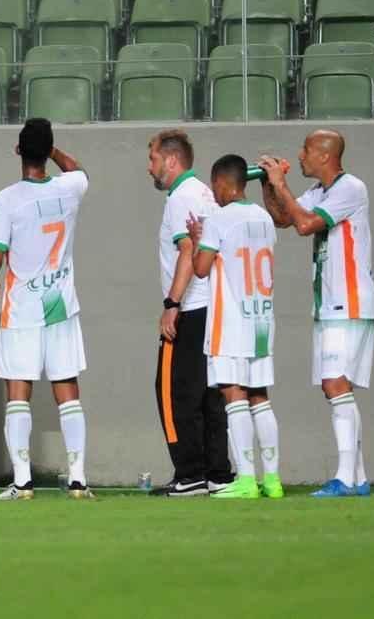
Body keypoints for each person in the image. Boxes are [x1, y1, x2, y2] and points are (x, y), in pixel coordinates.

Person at [258, 130, 374, 497]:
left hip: (349, 299)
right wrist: (270, 184)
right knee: (337, 388)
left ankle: (345, 476)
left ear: (325, 155)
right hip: (329, 302)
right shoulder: (321, 192)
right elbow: (284, 219)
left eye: (306, 150)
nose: (301, 155)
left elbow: (307, 224)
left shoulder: (350, 188)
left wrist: (283, 184)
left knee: (334, 384)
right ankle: (357, 477)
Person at [0, 119, 93, 500]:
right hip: (60, 306)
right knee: (68, 391)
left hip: (24, 308)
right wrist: (54, 150)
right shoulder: (70, 187)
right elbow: (79, 171)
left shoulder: (7, 199)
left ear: (18, 150)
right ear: (48, 152)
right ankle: (78, 480)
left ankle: (23, 482)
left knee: (18, 392)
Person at [187, 155, 283, 500]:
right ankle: (272, 480)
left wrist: (198, 237)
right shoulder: (265, 219)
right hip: (261, 317)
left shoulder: (219, 219)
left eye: (214, 186)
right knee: (260, 396)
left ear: (225, 183)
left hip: (230, 322)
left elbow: (201, 268)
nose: (213, 193)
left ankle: (245, 480)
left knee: (233, 395)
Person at [147, 129, 234, 497]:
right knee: (210, 394)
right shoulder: (205, 193)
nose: (149, 168)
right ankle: (217, 472)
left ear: (170, 160)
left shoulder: (180, 197)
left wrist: (172, 304)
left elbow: (186, 250)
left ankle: (189, 474)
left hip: (192, 307)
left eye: (152, 159)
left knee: (172, 391)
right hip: (215, 308)